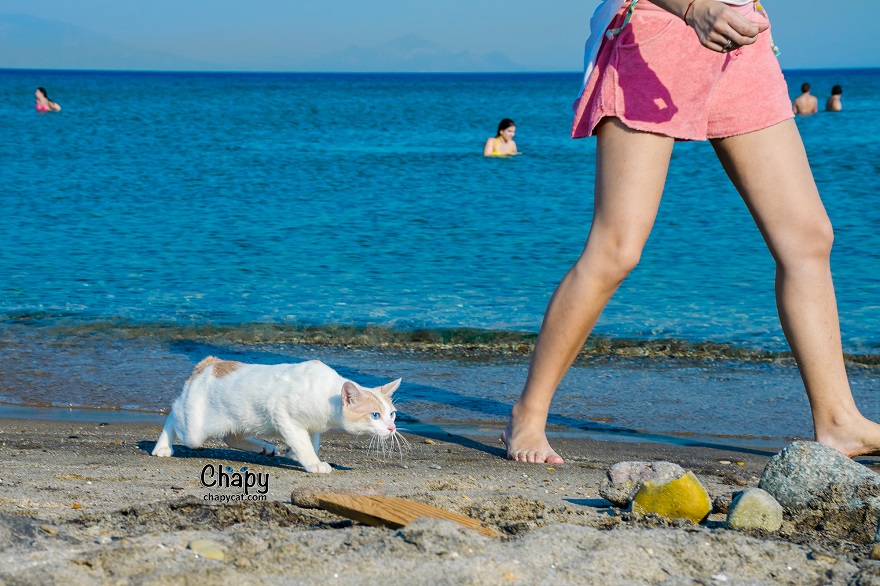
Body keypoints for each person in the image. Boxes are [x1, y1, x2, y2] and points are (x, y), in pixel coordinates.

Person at [501, 0, 880, 464]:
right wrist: (693, 8)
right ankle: (529, 413)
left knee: (808, 237)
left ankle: (838, 420)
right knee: (617, 249)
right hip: (654, 35)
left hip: (744, 40)